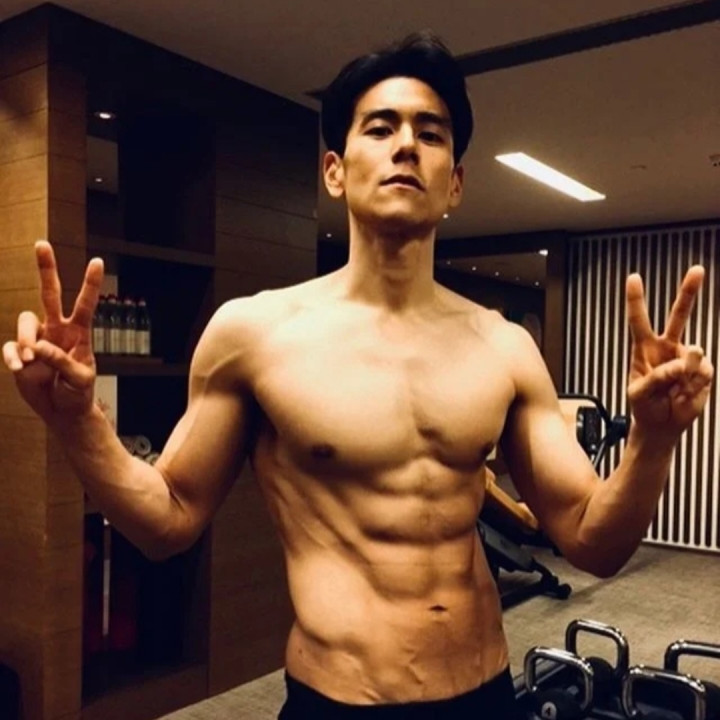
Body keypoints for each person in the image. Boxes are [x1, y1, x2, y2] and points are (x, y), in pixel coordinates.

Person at [2, 31, 714, 720]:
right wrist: (78, 424)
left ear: (455, 183)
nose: (407, 144)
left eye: (431, 133)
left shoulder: (505, 347)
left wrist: (652, 442)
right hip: (340, 704)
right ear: (335, 171)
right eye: (381, 127)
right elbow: (169, 520)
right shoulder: (254, 333)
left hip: (486, 694)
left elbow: (594, 541)